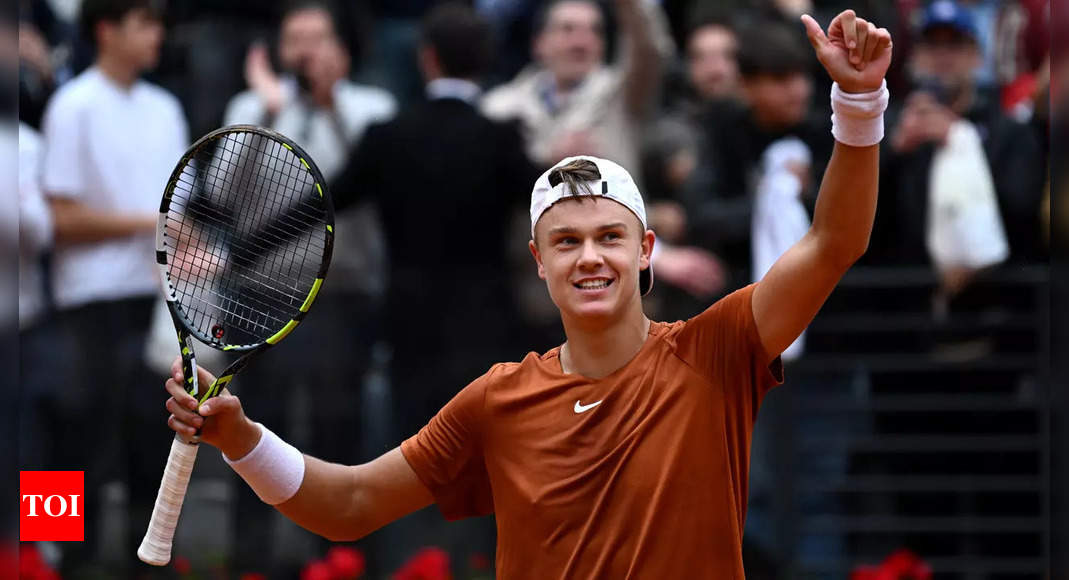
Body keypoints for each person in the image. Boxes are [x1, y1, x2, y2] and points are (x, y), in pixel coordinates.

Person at [163, 9, 892, 577]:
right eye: (567, 243)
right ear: (539, 262)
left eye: (609, 237)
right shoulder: (498, 399)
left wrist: (857, 106)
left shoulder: (717, 347)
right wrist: (241, 439)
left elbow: (835, 243)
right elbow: (350, 503)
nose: (590, 258)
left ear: (645, 251)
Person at [39, 0, 188, 574]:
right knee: (68, 449)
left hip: (158, 304)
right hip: (85, 304)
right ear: (106, 29)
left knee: (151, 449)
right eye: (145, 23)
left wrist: (187, 243)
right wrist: (147, 223)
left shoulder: (167, 107)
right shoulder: (71, 104)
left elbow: (182, 208)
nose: (158, 34)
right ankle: (46, 566)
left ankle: (148, 567)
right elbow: (59, 219)